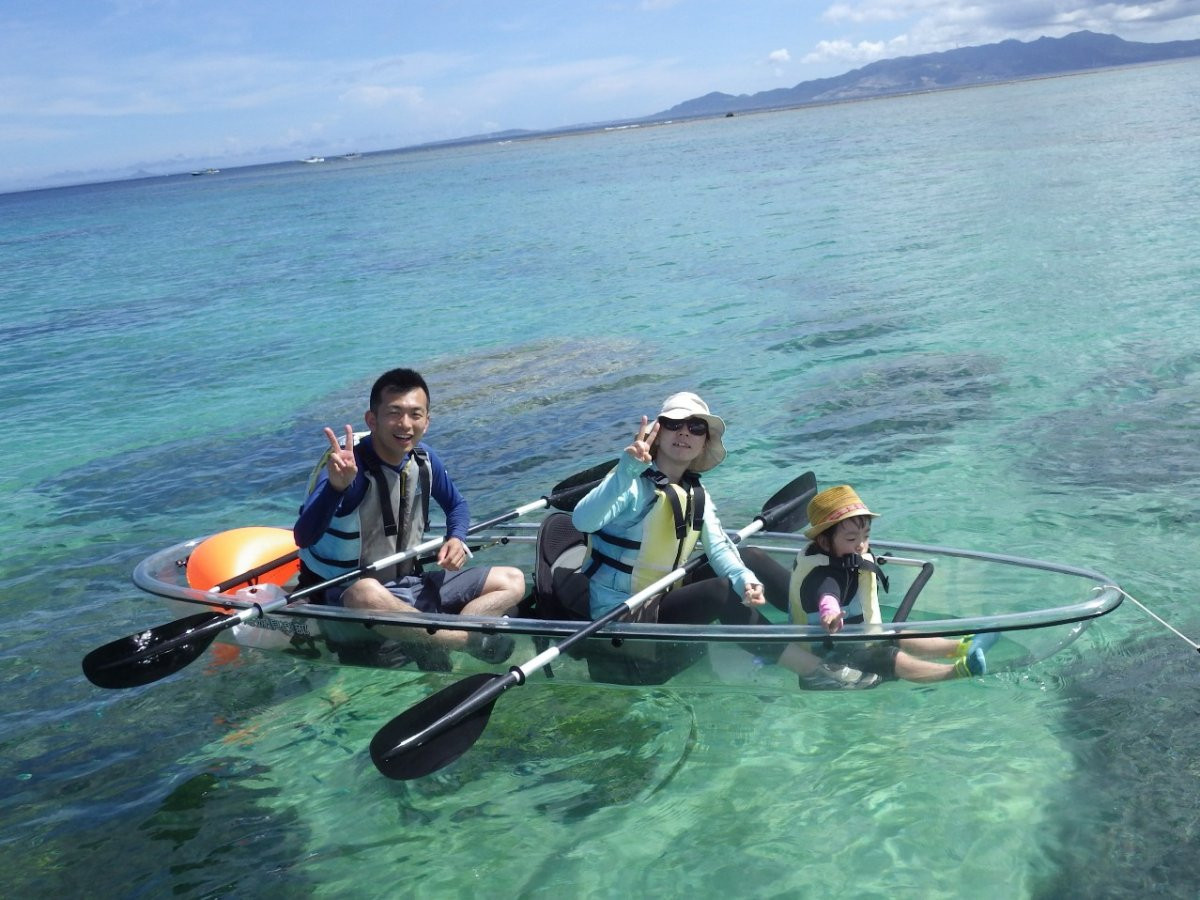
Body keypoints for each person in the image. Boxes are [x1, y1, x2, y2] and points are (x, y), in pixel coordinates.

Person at [569, 391, 875, 688]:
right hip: (624, 615)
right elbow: (583, 520)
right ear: (657, 435)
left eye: (696, 427)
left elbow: (719, 549)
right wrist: (626, 471)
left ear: (704, 442)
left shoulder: (695, 493)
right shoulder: (631, 484)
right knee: (721, 592)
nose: (684, 432)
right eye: (674, 424)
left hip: (664, 594)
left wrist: (746, 581)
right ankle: (811, 669)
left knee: (750, 557)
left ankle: (825, 627)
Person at [293, 368, 526, 664]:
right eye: (394, 413)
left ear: (426, 422)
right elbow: (304, 536)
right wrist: (336, 488)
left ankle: (442, 632)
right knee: (364, 592)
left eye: (415, 414)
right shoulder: (349, 469)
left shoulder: (423, 459)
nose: (405, 424)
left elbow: (457, 505)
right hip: (351, 599)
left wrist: (456, 538)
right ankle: (462, 640)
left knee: (513, 579)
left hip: (410, 583)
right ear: (372, 420)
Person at [781, 484, 998, 685]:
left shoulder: (845, 559)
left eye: (865, 536)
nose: (861, 545)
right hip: (833, 655)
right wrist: (830, 614)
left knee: (898, 634)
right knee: (891, 658)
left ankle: (962, 647)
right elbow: (827, 595)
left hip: (858, 640)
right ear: (824, 542)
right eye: (851, 539)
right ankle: (958, 670)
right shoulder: (822, 575)